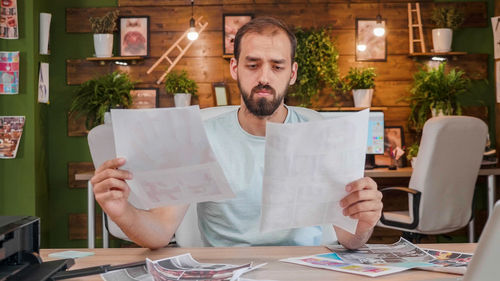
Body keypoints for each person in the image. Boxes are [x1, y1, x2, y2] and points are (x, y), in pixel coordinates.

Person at [91, 17, 383, 250]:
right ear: (235, 68)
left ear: (292, 73)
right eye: (252, 65)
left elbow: (350, 238)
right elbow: (159, 232)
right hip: (226, 270)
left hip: (304, 268)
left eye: (277, 66)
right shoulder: (200, 136)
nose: (264, 78)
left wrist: (365, 222)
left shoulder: (324, 135)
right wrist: (121, 211)